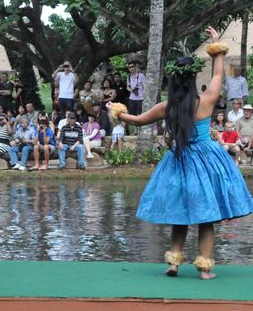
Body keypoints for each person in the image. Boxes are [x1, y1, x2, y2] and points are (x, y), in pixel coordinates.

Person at [108, 27, 253, 279]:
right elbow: (219, 72)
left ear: (173, 81)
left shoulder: (167, 106)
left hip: (179, 159)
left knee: (180, 213)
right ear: (193, 79)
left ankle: (174, 262)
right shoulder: (206, 101)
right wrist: (216, 46)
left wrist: (116, 110)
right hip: (208, 160)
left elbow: (138, 120)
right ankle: (205, 269)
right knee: (207, 217)